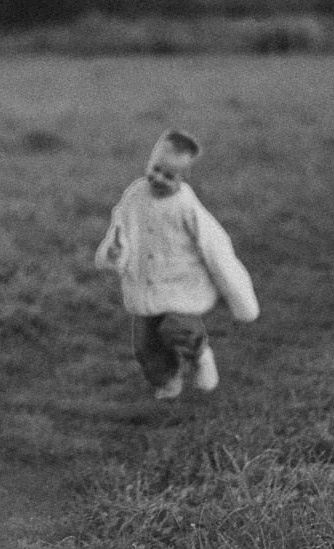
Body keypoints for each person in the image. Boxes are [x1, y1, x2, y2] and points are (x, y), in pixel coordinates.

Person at [94, 129, 260, 400]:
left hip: (180, 284)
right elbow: (121, 229)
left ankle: (200, 354)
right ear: (150, 162)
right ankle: (168, 379)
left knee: (177, 326)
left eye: (169, 176)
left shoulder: (186, 205)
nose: (159, 178)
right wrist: (115, 252)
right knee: (145, 345)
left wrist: (239, 297)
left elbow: (215, 246)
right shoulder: (135, 196)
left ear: (184, 178)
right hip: (145, 284)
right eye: (155, 169)